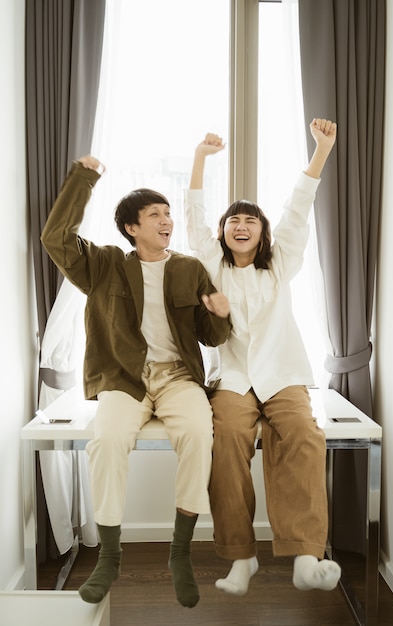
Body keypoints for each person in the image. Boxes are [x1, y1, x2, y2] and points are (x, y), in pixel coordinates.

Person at [41, 156, 232, 608]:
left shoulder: (188, 269)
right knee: (106, 441)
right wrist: (83, 179)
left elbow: (208, 335)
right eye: (155, 215)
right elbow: (55, 238)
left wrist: (221, 317)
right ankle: (110, 556)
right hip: (124, 379)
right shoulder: (103, 266)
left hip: (178, 378)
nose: (167, 221)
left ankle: (180, 554)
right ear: (132, 228)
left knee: (198, 435)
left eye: (168, 214)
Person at [184, 118, 341, 596]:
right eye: (234, 219)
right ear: (224, 233)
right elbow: (193, 218)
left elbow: (298, 209)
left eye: (251, 219)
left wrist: (321, 151)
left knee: (304, 436)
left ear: (263, 232)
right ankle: (241, 557)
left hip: (283, 376)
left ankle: (306, 555)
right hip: (232, 379)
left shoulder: (280, 265)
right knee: (227, 435)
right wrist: (200, 158)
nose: (242, 224)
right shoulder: (212, 265)